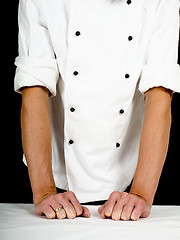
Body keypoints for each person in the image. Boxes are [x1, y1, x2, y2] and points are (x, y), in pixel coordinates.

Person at [14, 0, 180, 221]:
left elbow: (160, 93)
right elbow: (34, 87)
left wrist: (141, 193)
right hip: (52, 173)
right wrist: (44, 191)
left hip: (137, 171)